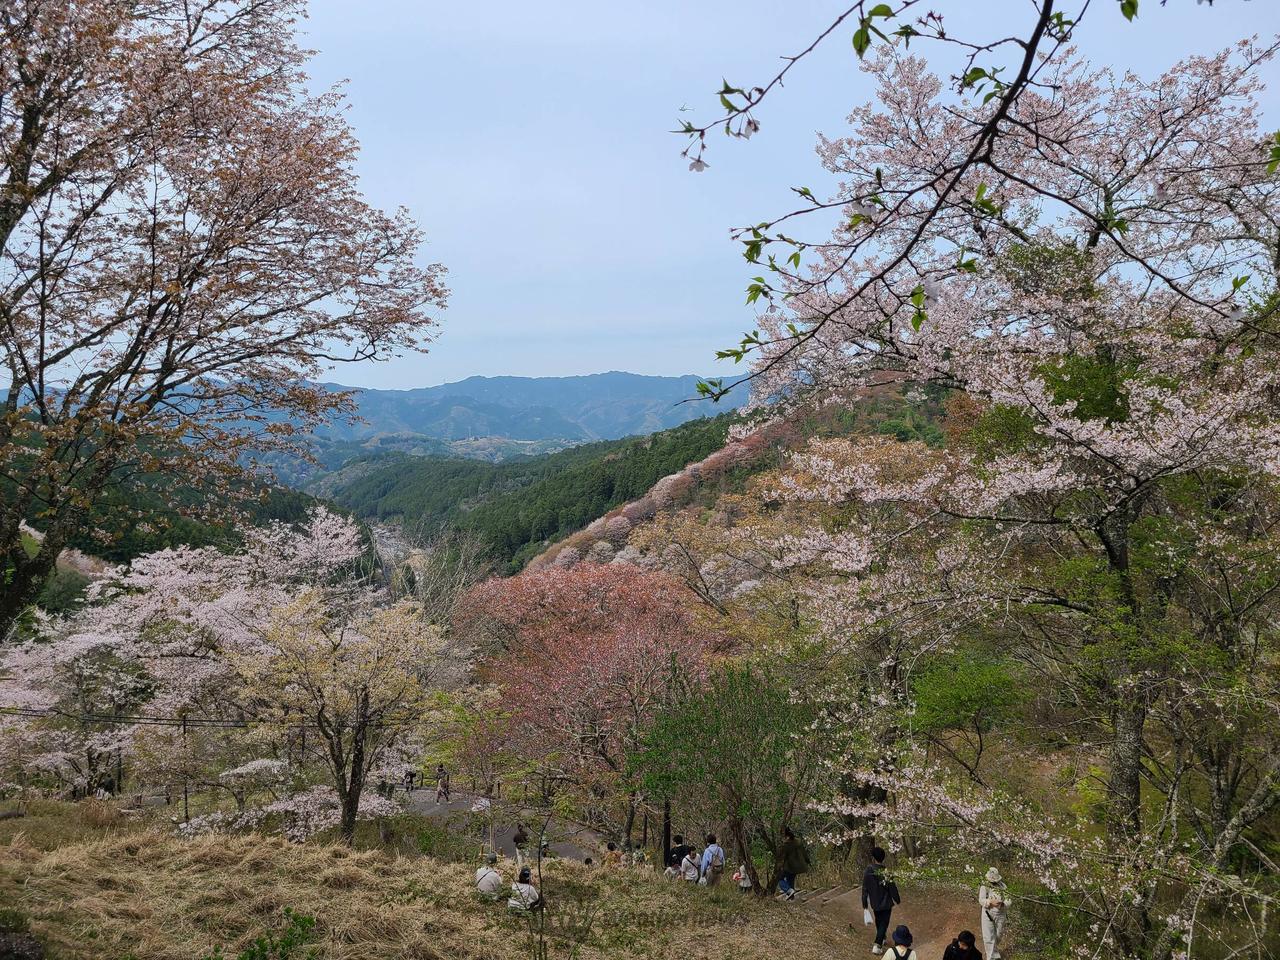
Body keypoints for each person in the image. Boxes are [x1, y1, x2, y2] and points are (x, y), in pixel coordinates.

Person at [861, 846, 901, 955]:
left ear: (873, 858)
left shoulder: (868, 870)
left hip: (875, 902)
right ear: (883, 858)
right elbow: (892, 887)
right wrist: (897, 899)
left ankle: (882, 938)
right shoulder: (885, 871)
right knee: (884, 923)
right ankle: (877, 944)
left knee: (879, 921)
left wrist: (864, 903)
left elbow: (865, 888)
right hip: (886, 902)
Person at [979, 867, 1009, 960]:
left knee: (998, 935)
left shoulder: (1003, 886)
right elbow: (981, 900)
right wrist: (990, 902)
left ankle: (994, 952)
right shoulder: (984, 886)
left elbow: (1009, 900)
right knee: (988, 937)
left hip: (1001, 914)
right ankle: (991, 957)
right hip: (988, 913)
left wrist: (1003, 904)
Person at [776, 826, 811, 901]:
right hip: (798, 866)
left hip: (790, 866)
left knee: (779, 878)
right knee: (790, 879)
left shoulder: (786, 845)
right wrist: (807, 861)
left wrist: (779, 865)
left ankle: (788, 890)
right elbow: (804, 853)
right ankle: (791, 897)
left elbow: (782, 857)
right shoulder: (798, 841)